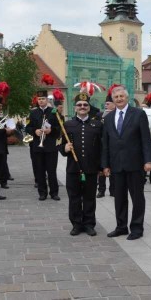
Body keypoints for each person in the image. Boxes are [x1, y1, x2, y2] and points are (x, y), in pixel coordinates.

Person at [102, 85, 151, 241]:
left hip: (135, 164)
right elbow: (106, 143)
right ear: (113, 99)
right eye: (116, 97)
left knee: (137, 197)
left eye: (121, 96)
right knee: (119, 197)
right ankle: (121, 227)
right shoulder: (109, 118)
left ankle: (137, 228)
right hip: (116, 165)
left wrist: (148, 160)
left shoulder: (138, 114)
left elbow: (146, 139)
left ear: (127, 97)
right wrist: (105, 165)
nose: (119, 99)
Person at [59, 92, 103, 236]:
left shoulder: (97, 125)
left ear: (89, 107)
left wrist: (102, 167)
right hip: (73, 168)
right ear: (75, 107)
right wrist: (64, 148)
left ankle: (89, 224)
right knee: (74, 198)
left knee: (90, 198)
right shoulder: (67, 125)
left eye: (85, 105)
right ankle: (77, 224)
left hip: (91, 168)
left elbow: (102, 147)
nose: (82, 107)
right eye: (79, 105)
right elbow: (60, 144)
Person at [26, 87, 60, 201]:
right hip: (37, 146)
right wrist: (35, 131)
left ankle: (54, 192)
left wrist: (51, 131)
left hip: (50, 146)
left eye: (43, 99)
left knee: (51, 171)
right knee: (40, 171)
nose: (41, 101)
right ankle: (42, 193)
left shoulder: (53, 112)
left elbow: (60, 128)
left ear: (47, 100)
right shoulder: (33, 112)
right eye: (39, 99)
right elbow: (28, 127)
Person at [96, 90, 116, 198]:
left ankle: (113, 190)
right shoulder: (99, 115)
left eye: (108, 103)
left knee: (112, 168)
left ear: (114, 104)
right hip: (102, 145)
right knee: (101, 168)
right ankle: (101, 190)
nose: (106, 105)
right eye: (106, 104)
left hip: (113, 146)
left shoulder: (117, 114)